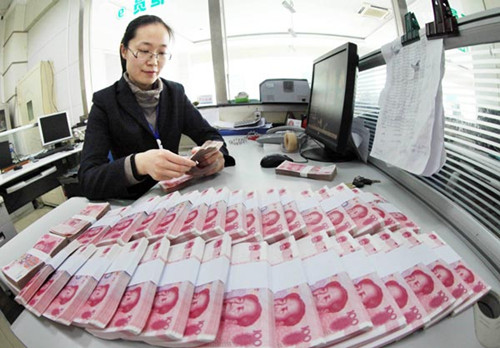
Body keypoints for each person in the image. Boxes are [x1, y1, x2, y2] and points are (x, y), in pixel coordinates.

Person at [79, 15, 234, 200]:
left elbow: (211, 136)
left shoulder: (175, 93)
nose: (153, 61)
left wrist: (217, 158)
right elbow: (88, 178)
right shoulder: (105, 101)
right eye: (144, 50)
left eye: (161, 53)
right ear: (124, 51)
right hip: (133, 203)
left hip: (176, 196)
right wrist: (139, 164)